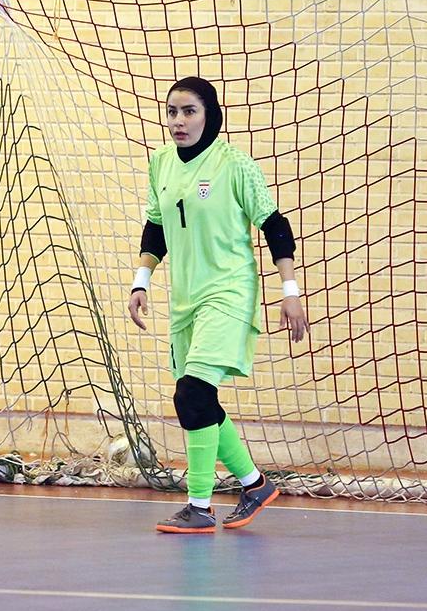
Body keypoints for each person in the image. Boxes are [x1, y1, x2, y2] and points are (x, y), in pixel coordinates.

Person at [127, 76, 309, 534]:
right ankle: (254, 485)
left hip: (228, 292)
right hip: (185, 299)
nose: (178, 121)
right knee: (198, 399)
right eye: (172, 112)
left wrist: (290, 292)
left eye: (189, 111)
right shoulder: (160, 163)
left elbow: (275, 226)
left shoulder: (235, 165)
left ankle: (200, 507)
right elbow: (156, 227)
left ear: (209, 115)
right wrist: (141, 281)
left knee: (191, 393)